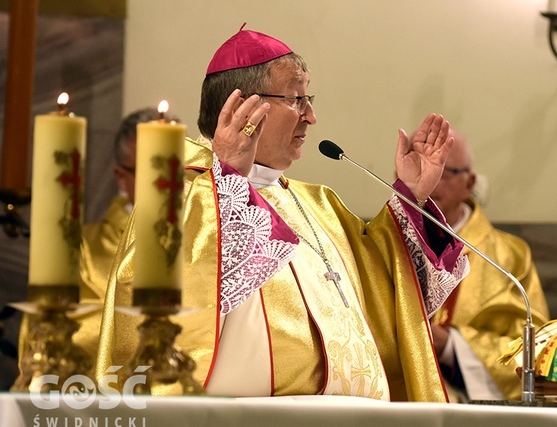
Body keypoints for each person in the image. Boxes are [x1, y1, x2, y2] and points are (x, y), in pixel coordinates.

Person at [96, 27, 469, 402]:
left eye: (309, 99)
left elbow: (388, 295)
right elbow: (162, 321)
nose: (311, 116)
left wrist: (413, 196)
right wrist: (228, 179)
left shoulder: (319, 204)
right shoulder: (183, 199)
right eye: (296, 99)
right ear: (242, 106)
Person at [427, 129, 549, 402]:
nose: (427, 180)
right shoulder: (378, 246)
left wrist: (450, 345)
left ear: (469, 183)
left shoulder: (508, 256)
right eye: (417, 168)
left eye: (442, 171)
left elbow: (536, 351)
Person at [76, 108, 176, 358]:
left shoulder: (208, 235)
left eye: (172, 169)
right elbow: (77, 333)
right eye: (149, 171)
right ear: (122, 178)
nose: (163, 182)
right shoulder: (86, 247)